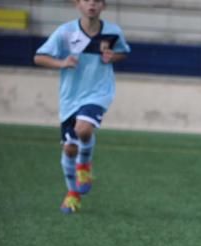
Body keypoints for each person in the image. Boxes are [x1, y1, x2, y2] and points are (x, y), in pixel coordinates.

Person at [34, 0, 130, 214]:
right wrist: (61, 63)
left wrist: (114, 56)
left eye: (97, 1)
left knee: (83, 129)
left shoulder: (113, 32)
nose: (92, 5)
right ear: (77, 4)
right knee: (69, 148)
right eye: (87, 0)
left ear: (103, 6)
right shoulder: (65, 32)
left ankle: (84, 166)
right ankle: (72, 193)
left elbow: (123, 52)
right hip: (70, 98)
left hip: (99, 92)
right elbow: (39, 57)